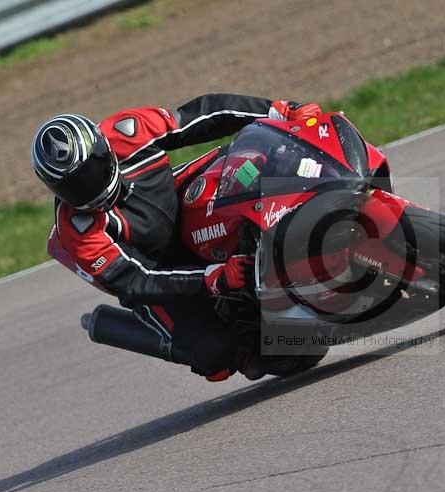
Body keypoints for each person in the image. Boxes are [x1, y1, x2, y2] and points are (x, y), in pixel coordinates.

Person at [31, 94, 322, 381]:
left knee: (259, 161)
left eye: (92, 169)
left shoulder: (128, 131)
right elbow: (136, 280)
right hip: (158, 271)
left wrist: (278, 111)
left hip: (181, 197)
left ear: (103, 148)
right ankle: (251, 338)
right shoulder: (77, 231)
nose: (88, 186)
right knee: (216, 355)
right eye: (74, 186)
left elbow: (202, 116)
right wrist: (213, 277)